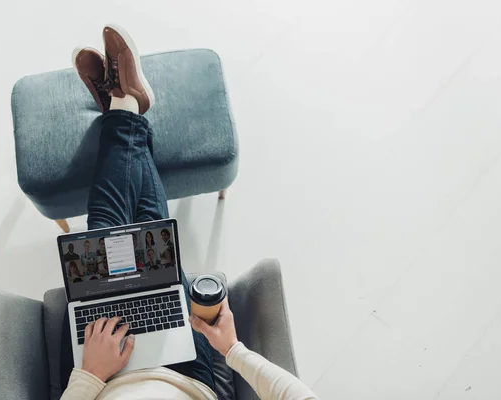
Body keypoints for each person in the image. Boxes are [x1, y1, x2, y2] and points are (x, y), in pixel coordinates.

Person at [60, 24, 317, 400]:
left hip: (103, 381)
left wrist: (91, 376)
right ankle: (124, 105)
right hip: (184, 376)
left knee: (103, 228)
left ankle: (125, 105)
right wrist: (232, 350)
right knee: (150, 234)